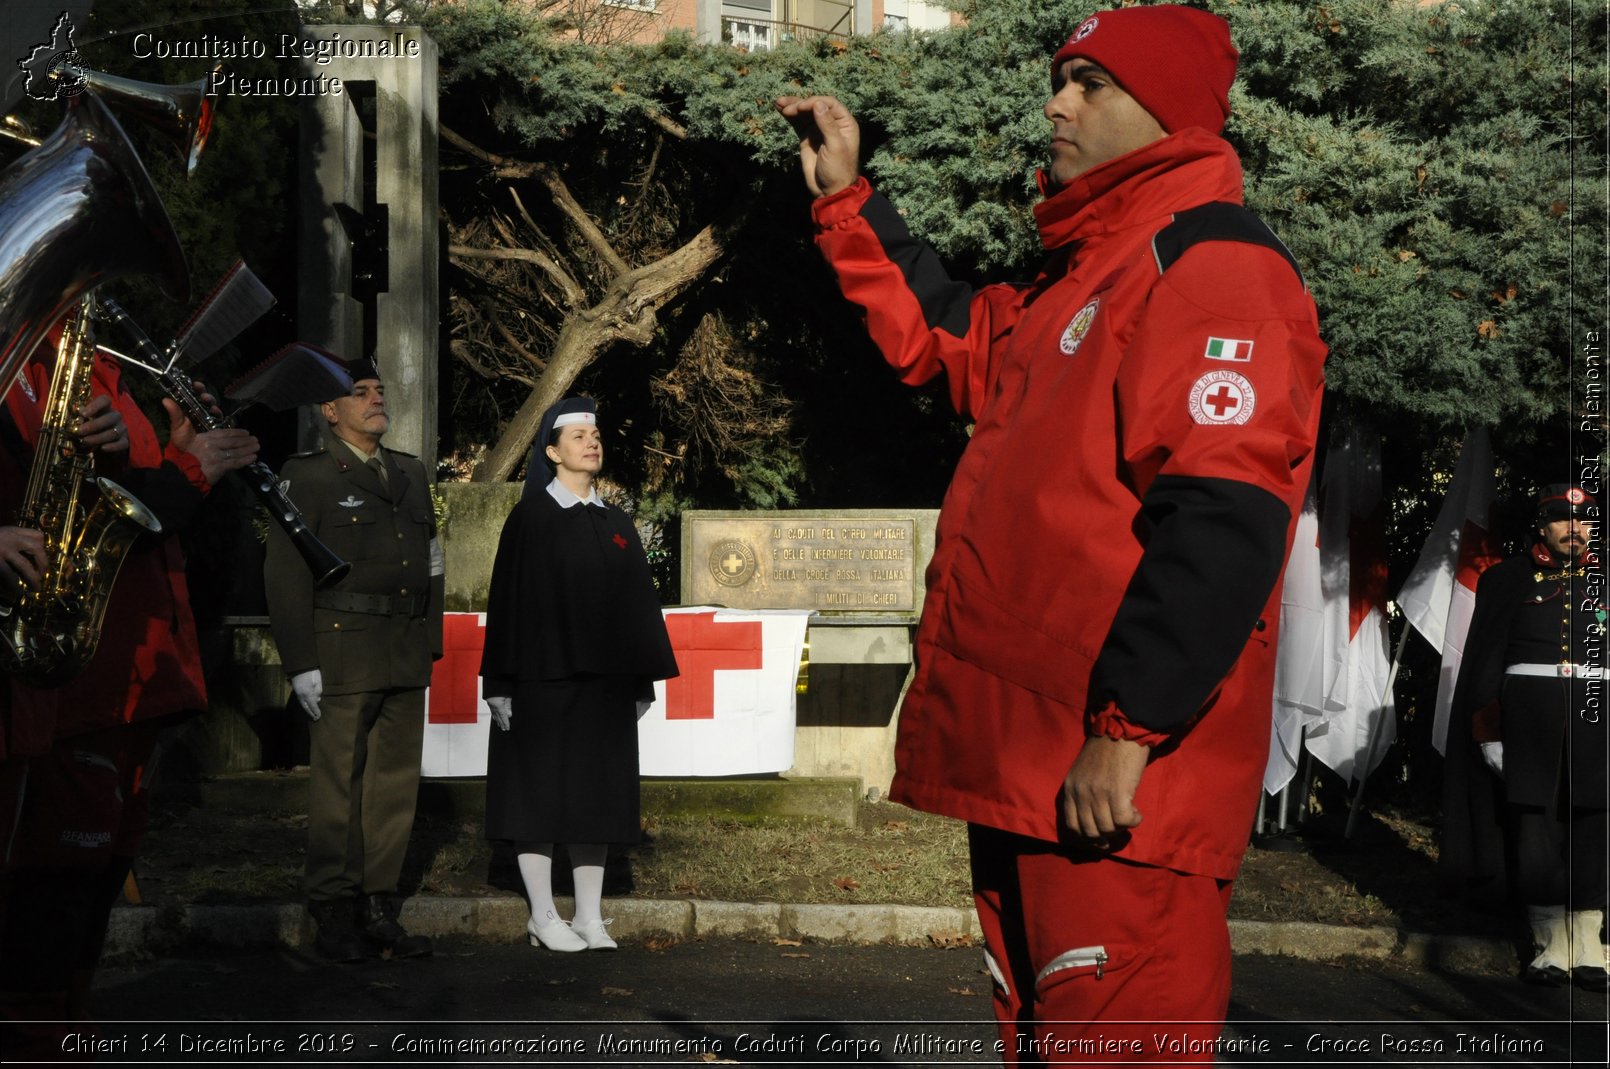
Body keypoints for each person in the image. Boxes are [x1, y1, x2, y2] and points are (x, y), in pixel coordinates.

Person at [778, 5, 1326, 1059]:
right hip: (1033, 778)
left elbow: (1223, 522)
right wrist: (847, 202)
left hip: (1116, 796)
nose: (1054, 102)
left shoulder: (1213, 266)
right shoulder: (1082, 272)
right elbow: (948, 343)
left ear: (1163, 112)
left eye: (1089, 83)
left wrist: (1123, 735)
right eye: (1060, 78)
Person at [0, 325, 258, 1054]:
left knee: (92, 886)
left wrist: (177, 447)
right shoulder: (21, 355)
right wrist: (190, 469)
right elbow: (68, 509)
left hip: (143, 668)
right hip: (85, 672)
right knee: (51, 887)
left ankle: (66, 1025)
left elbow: (130, 503)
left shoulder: (95, 365)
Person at [479, 397, 678, 952]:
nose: (592, 442)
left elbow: (639, 605)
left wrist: (642, 679)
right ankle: (543, 915)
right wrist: (498, 682)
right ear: (551, 451)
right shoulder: (531, 518)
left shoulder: (616, 522)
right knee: (538, 797)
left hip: (606, 685)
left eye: (596, 434)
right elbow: (507, 602)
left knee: (599, 798)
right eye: (578, 436)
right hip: (541, 682)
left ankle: (589, 917)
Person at [263, 358, 444, 962]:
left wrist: (431, 639)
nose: (375, 400)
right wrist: (299, 659)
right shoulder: (308, 475)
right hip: (340, 647)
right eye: (360, 393)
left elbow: (433, 563)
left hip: (402, 648)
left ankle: (377, 901)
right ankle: (332, 905)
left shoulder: (411, 474)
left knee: (393, 783)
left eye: (379, 390)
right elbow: (286, 570)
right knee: (339, 782)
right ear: (330, 410)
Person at [1442, 483, 1607, 989]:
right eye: (1561, 520)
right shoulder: (1506, 578)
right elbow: (1486, 660)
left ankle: (1591, 946)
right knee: (1536, 826)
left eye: (1583, 521)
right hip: (1528, 719)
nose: (1573, 529)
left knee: (1597, 825)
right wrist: (1488, 733)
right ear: (1543, 526)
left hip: (1599, 718)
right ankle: (1550, 946)